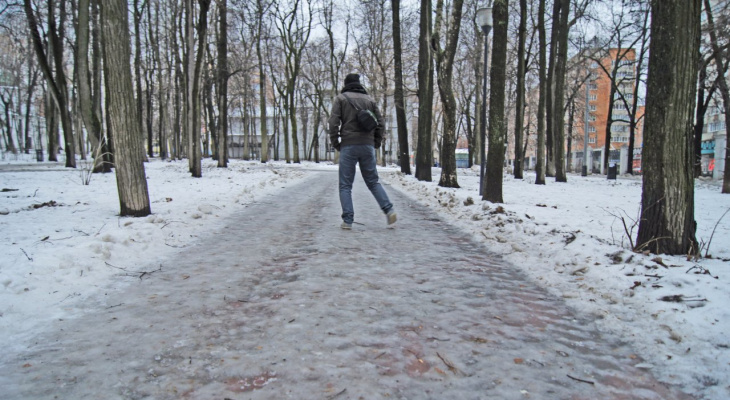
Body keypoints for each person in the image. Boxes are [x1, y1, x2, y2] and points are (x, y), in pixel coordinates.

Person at [328, 73, 397, 230]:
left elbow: (333, 123)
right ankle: (389, 210)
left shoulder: (341, 99)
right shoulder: (370, 100)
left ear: (346, 84)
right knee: (373, 181)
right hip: (367, 146)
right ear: (359, 84)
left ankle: (347, 220)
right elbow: (380, 123)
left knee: (345, 185)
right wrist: (375, 143)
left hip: (348, 145)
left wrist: (335, 143)